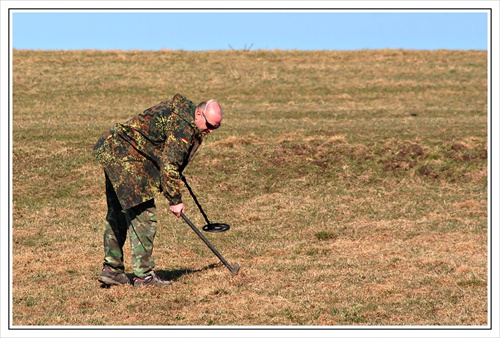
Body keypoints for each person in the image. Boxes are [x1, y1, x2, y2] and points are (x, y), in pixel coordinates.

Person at [93, 93, 223, 287]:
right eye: (210, 125)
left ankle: (112, 270)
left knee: (118, 214)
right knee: (144, 219)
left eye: (216, 127)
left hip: (113, 149)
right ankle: (143, 276)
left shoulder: (182, 114)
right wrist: (175, 200)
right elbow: (169, 165)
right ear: (198, 114)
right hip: (128, 159)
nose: (210, 131)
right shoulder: (183, 128)